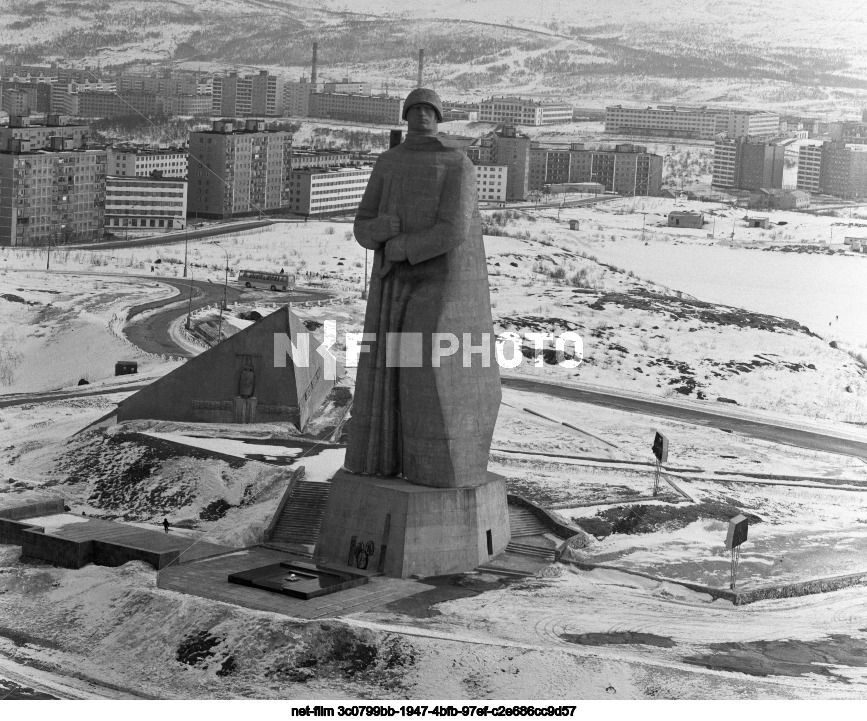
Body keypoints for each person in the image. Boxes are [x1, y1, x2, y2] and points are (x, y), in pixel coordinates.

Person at [344, 88, 501, 489]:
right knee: (385, 370)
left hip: (439, 282)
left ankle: (436, 467)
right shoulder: (388, 162)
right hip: (391, 284)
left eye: (428, 110)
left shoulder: (456, 164)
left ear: (439, 116)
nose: (420, 117)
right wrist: (378, 231)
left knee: (427, 371)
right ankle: (382, 458)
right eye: (413, 110)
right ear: (405, 116)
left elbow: (454, 229)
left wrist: (404, 247)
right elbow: (363, 223)